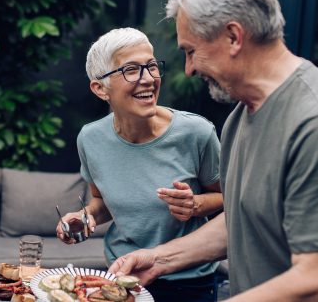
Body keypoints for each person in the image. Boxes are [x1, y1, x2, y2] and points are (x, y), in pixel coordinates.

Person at [107, 0, 318, 301]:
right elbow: (243, 223)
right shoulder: (241, 117)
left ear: (233, 36)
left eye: (191, 51)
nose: (189, 68)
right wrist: (160, 259)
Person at [56, 27, 225, 302]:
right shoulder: (90, 138)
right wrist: (85, 217)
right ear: (101, 88)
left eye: (151, 66)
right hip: (122, 279)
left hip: (189, 282)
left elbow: (229, 198)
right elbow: (101, 202)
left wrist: (195, 205)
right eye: (131, 70)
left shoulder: (196, 133)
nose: (148, 79)